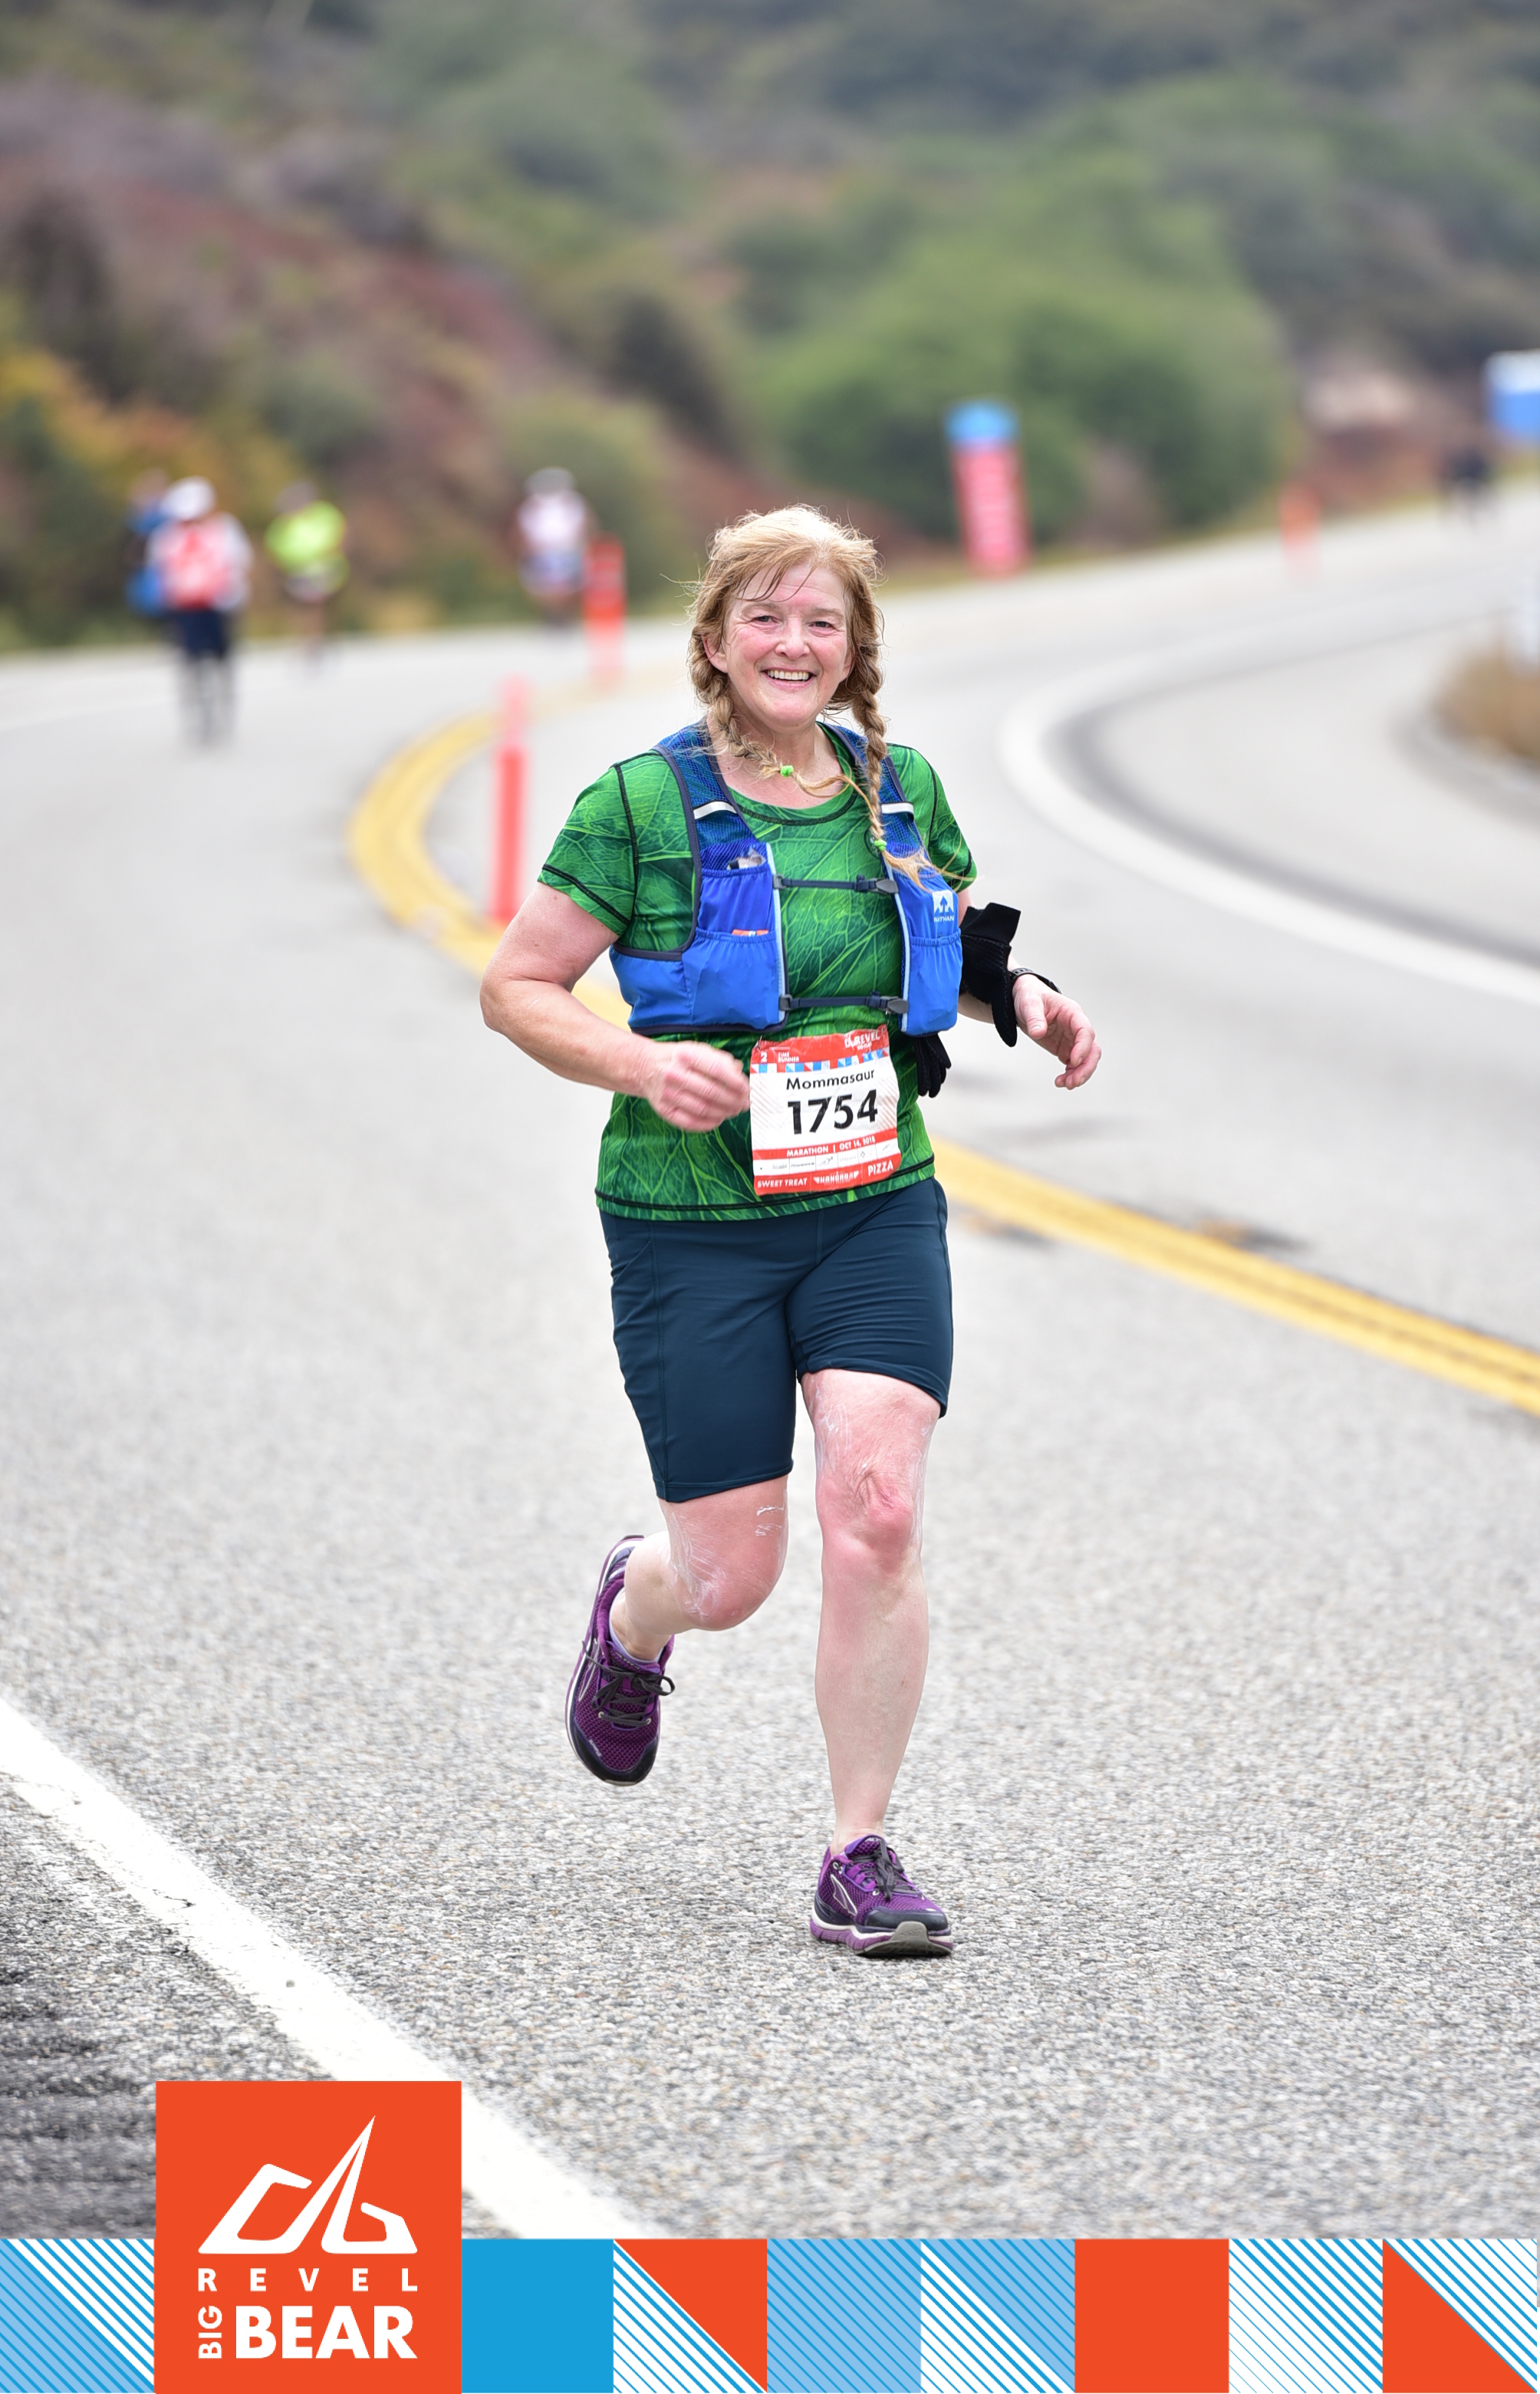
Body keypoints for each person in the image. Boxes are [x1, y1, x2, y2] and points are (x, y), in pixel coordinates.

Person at [479, 506, 1100, 1957]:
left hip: (873, 1202)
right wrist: (644, 1064)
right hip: (690, 1222)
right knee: (731, 1578)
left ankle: (857, 1850)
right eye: (764, 615)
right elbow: (517, 987)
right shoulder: (637, 805)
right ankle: (638, 1614)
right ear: (714, 638)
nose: (793, 643)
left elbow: (944, 951)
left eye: (823, 621)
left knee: (876, 1510)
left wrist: (1023, 997)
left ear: (855, 649)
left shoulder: (898, 788)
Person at [148, 478, 253, 743]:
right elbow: (160, 571)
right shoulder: (166, 537)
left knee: (221, 659)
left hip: (218, 605)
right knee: (191, 661)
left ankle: (222, 708)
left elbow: (239, 563)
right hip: (185, 608)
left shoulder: (224, 529)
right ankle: (199, 713)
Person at [265, 482, 349, 657]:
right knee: (304, 608)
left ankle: (319, 640)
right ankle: (306, 641)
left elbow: (339, 535)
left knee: (319, 608)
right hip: (298, 572)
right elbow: (275, 547)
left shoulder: (323, 515)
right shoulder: (284, 524)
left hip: (325, 570)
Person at [512, 466, 591, 626]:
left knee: (569, 586)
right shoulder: (532, 506)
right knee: (543, 587)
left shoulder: (573, 503)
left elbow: (582, 525)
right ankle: (551, 616)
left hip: (568, 550)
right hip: (542, 552)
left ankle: (565, 617)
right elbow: (525, 530)